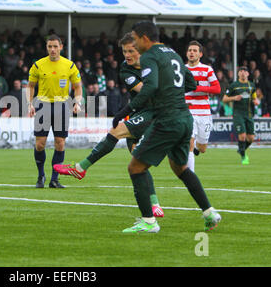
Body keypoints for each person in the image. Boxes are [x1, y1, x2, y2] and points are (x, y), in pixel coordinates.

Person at [112, 21, 221, 233]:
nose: (133, 43)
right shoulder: (172, 53)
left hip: (167, 120)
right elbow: (190, 83)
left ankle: (149, 221)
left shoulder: (151, 55)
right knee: (181, 168)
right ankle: (209, 213)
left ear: (144, 38)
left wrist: (124, 110)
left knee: (135, 167)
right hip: (185, 118)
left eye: (134, 39)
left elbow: (150, 87)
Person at [54, 33, 164, 217]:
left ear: (140, 50)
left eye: (131, 51)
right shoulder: (125, 69)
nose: (127, 55)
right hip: (139, 111)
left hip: (154, 113)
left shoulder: (153, 62)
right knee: (138, 162)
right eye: (124, 51)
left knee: (116, 131)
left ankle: (81, 168)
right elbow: (146, 91)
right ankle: (155, 204)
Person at [27, 34, 82, 189]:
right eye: (50, 46)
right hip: (43, 105)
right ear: (46, 47)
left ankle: (54, 179)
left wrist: (78, 102)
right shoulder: (38, 65)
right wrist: (29, 104)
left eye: (55, 46)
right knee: (40, 144)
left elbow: (78, 87)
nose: (52, 49)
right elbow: (30, 86)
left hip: (62, 106)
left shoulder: (70, 66)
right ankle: (40, 175)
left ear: (61, 47)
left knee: (60, 143)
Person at [184, 41, 221, 172]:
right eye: (190, 50)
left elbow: (217, 89)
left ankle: (195, 149)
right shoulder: (182, 70)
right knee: (189, 142)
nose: (192, 52)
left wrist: (197, 88)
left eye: (194, 50)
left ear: (200, 54)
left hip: (204, 113)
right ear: (187, 53)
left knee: (202, 148)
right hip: (188, 112)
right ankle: (191, 176)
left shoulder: (207, 69)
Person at [222, 67, 260, 165]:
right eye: (241, 71)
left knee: (251, 138)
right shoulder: (234, 85)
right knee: (242, 135)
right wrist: (234, 97)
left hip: (249, 114)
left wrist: (256, 101)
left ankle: (241, 149)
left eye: (245, 71)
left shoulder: (251, 85)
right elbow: (224, 99)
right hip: (238, 114)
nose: (243, 73)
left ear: (248, 74)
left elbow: (254, 97)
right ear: (238, 74)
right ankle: (243, 157)